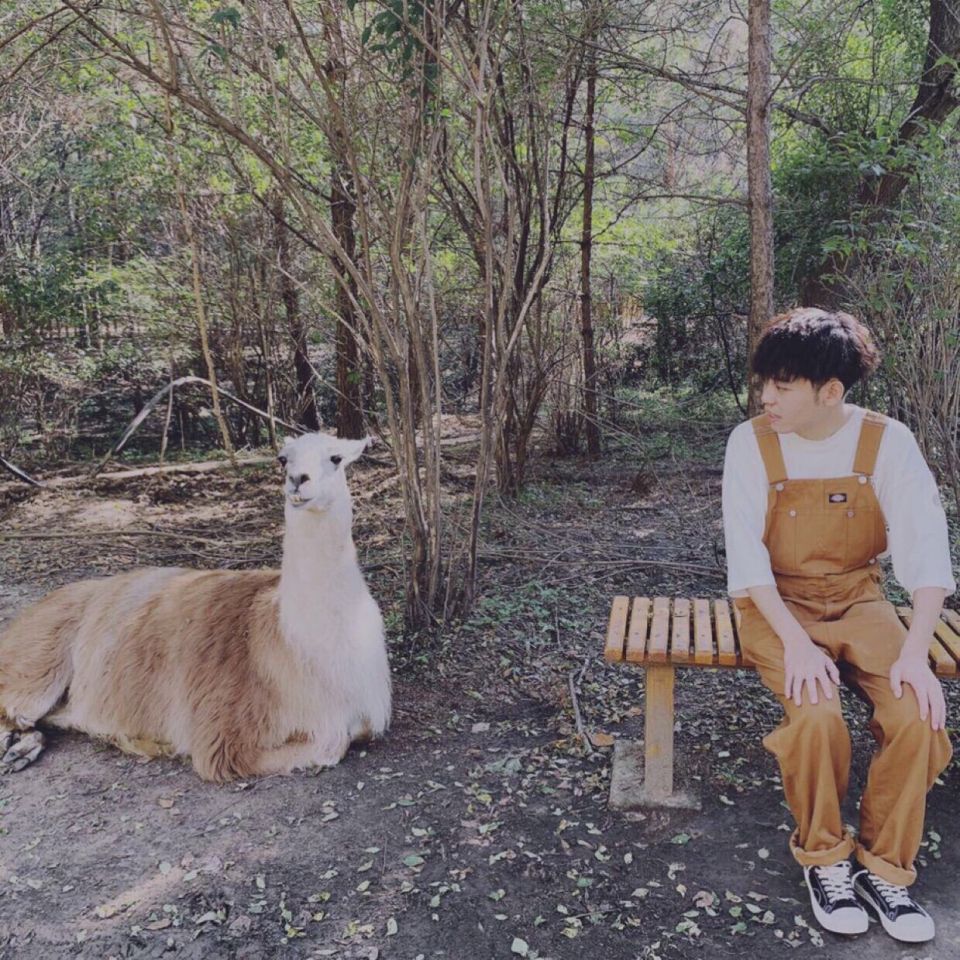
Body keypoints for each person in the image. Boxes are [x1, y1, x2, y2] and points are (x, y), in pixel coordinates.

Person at [721, 307, 954, 943]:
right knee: (816, 716)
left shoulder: (886, 441)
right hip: (775, 605)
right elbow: (747, 562)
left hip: (860, 598)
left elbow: (926, 550)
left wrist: (915, 654)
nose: (766, 398)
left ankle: (885, 869)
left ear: (830, 391)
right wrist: (797, 645)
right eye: (764, 382)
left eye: (782, 386)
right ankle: (825, 859)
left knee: (918, 716)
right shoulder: (750, 443)